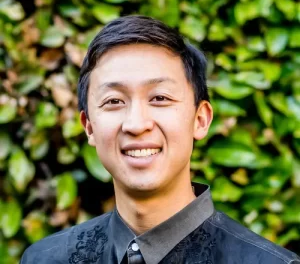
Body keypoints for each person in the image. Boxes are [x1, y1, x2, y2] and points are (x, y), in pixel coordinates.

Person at [21, 15, 300, 264]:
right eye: (114, 101)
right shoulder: (45, 258)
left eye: (160, 98)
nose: (136, 124)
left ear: (200, 119)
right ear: (89, 127)